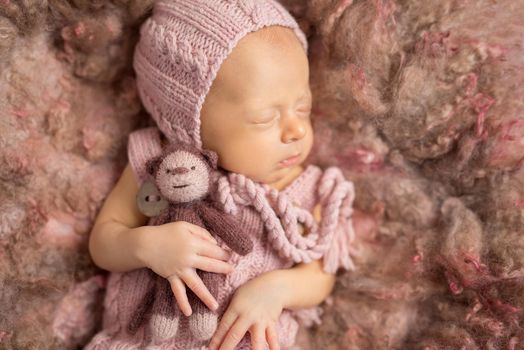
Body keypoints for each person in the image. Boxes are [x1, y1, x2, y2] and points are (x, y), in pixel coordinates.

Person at [85, 1, 356, 349]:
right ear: (190, 125)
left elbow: (320, 276)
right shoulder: (164, 167)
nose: (296, 131)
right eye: (264, 119)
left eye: (302, 108)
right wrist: (146, 246)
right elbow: (103, 242)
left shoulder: (308, 190)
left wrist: (275, 290)